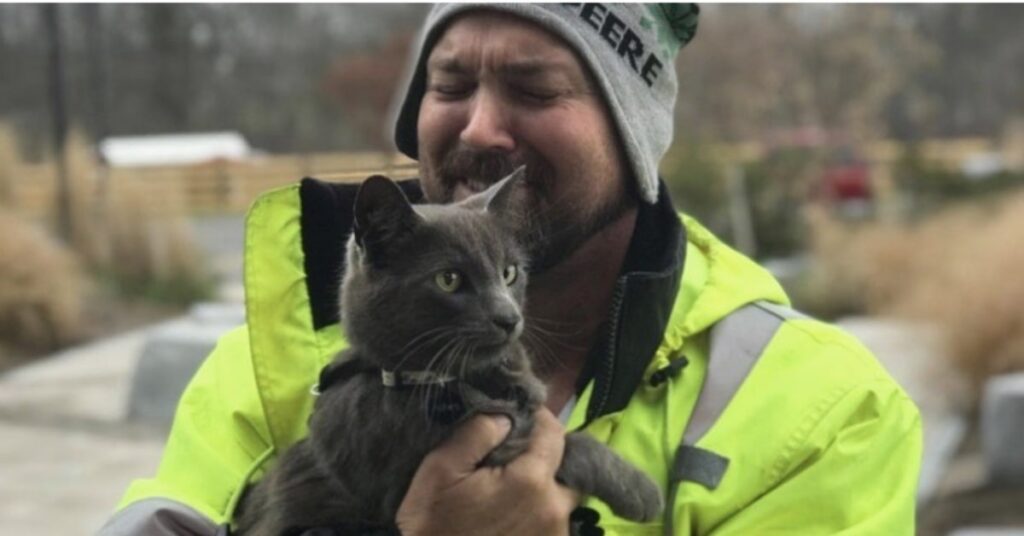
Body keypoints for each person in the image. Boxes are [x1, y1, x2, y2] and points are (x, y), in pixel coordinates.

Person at [100, 4, 922, 535]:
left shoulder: (823, 413)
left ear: (632, 139)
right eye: (449, 82)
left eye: (535, 89)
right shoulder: (266, 362)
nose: (482, 127)